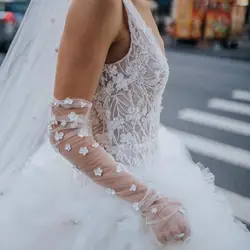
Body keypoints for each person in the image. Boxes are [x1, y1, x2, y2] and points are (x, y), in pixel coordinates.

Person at [0, 0, 249, 249]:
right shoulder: (100, 4)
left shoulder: (140, 4)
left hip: (155, 169)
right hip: (108, 201)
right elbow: (65, 130)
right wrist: (151, 202)